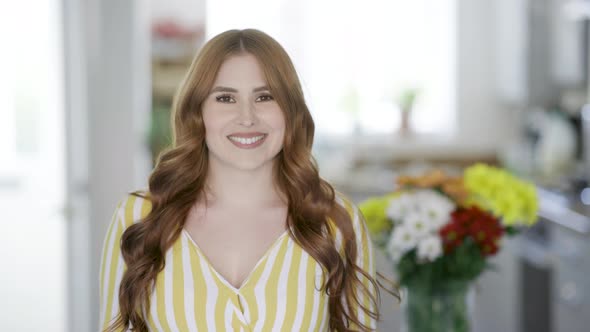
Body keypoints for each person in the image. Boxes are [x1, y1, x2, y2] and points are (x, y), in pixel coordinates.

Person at [99, 28, 392, 332]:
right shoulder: (137, 216)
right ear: (197, 110)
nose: (247, 117)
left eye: (265, 97)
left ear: (290, 111)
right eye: (225, 98)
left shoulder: (335, 221)